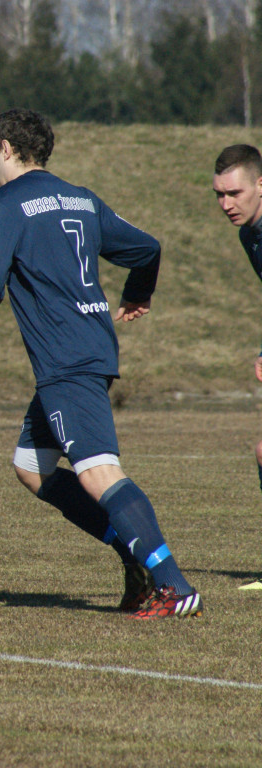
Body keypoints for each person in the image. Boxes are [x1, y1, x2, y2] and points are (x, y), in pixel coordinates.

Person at [0, 107, 201, 619]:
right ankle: (132, 555)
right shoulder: (81, 198)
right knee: (32, 467)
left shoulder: (7, 201)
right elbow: (147, 248)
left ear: (5, 148)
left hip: (66, 360)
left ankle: (173, 585)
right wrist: (139, 291)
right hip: (88, 350)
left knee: (98, 472)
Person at [212, 143, 262, 591]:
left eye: (235, 193)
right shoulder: (250, 234)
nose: (226, 204)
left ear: (261, 185)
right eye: (219, 195)